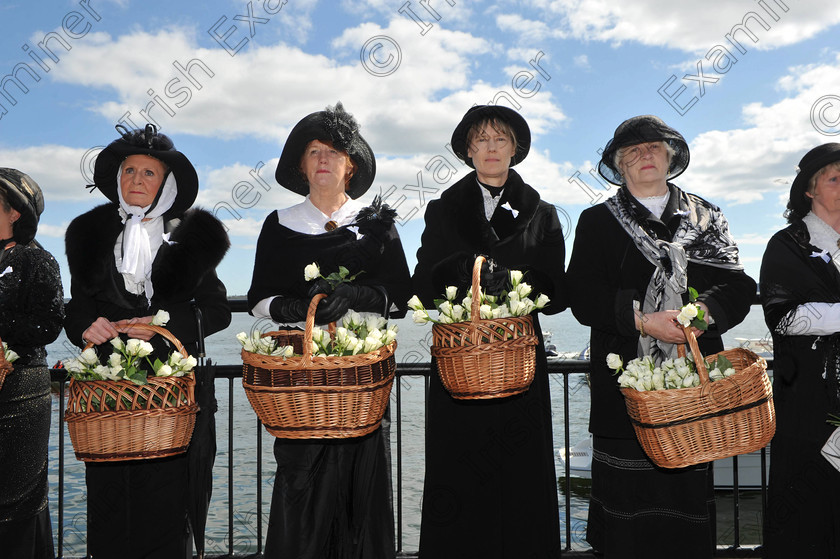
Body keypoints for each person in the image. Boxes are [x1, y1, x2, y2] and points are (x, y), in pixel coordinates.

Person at [566, 115, 756, 558]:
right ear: (619, 165)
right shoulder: (596, 221)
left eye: (653, 147)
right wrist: (642, 320)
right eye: (632, 151)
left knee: (687, 515)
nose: (644, 155)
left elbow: (738, 286)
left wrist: (702, 312)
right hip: (625, 390)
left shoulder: (707, 217)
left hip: (694, 385)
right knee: (624, 524)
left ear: (670, 158)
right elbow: (582, 296)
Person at [248, 102, 410, 558]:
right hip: (301, 386)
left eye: (334, 152)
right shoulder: (279, 225)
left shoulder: (376, 227)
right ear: (301, 165)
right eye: (314, 151)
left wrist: (358, 297)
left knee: (364, 496)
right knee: (301, 492)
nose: (323, 159)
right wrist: (298, 307)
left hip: (363, 386)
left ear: (350, 165)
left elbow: (400, 298)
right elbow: (258, 297)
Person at [64, 124, 231, 559]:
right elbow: (76, 309)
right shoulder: (89, 233)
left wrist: (165, 325)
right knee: (109, 517)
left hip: (171, 404)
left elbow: (217, 310)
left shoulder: (192, 239)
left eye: (149, 173)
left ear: (167, 183)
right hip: (107, 406)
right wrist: (87, 328)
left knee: (167, 518)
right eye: (129, 171)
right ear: (117, 179)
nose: (137, 180)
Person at [413, 105, 566, 558]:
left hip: (518, 365)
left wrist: (517, 281)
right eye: (481, 139)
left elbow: (559, 292)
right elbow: (419, 285)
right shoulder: (442, 210)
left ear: (515, 149)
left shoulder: (543, 212)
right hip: (461, 367)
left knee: (523, 475)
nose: (491, 147)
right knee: (457, 473)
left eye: (501, 139)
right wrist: (461, 269)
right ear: (467, 150)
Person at [759, 142, 840, 558]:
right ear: (809, 190)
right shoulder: (786, 244)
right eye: (835, 178)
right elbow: (784, 317)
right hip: (808, 400)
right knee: (806, 511)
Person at [0, 169, 64, 558]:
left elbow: (49, 323)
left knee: (16, 500)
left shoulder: (37, 259)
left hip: (21, 392)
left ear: (15, 214)